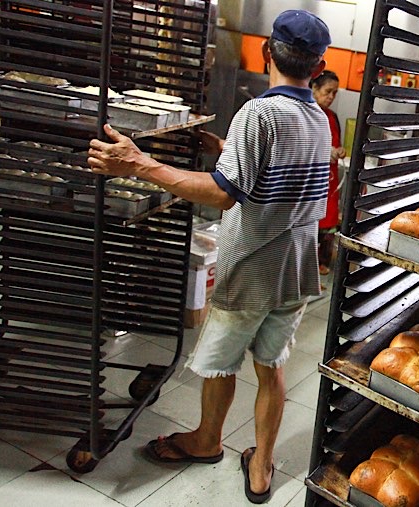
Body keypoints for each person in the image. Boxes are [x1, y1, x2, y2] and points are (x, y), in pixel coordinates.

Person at [87, 10, 332, 504]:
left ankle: (205, 441)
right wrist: (227, 150)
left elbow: (222, 195)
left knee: (220, 365)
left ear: (267, 51)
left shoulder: (259, 113)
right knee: (271, 367)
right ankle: (261, 467)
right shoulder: (317, 119)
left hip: (251, 272)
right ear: (319, 65)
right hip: (295, 269)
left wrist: (139, 162)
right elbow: (273, 176)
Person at [310, 70, 345, 276]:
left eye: (335, 93)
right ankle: (306, 265)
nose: (331, 97)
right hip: (312, 180)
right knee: (311, 222)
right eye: (327, 91)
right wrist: (324, 151)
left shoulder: (333, 117)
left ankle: (321, 262)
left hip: (329, 181)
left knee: (328, 222)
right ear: (314, 89)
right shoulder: (308, 114)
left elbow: (336, 143)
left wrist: (339, 151)